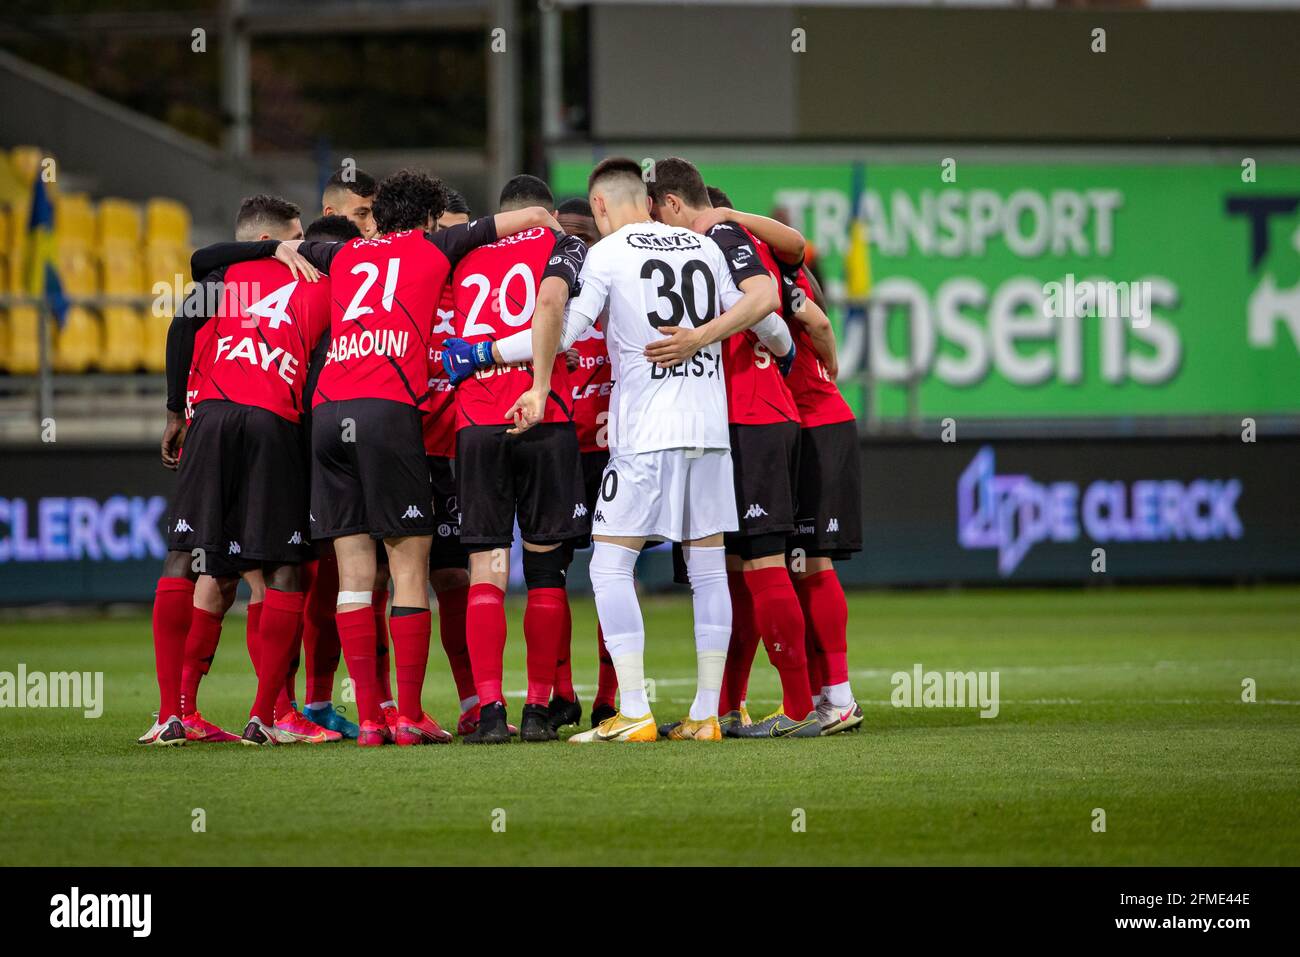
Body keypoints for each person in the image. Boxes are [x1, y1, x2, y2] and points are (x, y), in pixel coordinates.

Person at [498, 156, 790, 744]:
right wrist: (708, 337)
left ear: (599, 205)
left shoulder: (606, 254)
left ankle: (633, 709)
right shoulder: (703, 247)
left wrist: (493, 359)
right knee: (709, 570)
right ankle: (707, 714)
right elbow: (767, 308)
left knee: (609, 566)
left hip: (645, 435)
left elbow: (565, 323)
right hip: (708, 430)